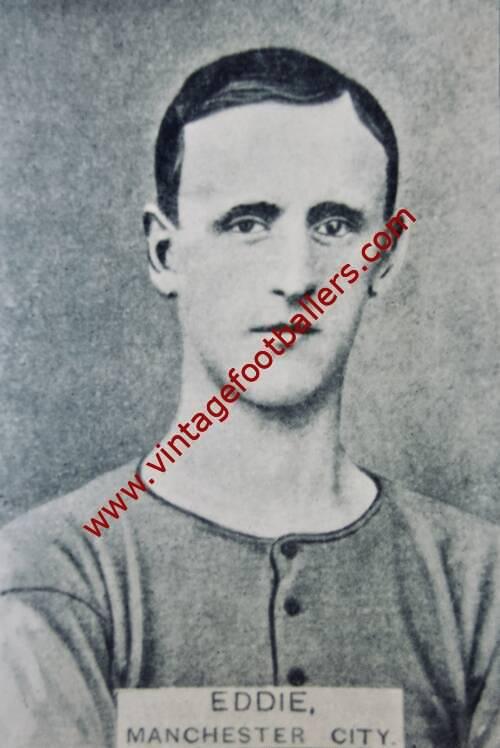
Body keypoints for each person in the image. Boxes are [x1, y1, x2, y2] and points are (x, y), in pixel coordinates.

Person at [0, 48, 498, 748]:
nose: (297, 276)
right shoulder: (51, 573)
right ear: (165, 254)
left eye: (334, 225)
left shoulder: (480, 586)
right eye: (247, 223)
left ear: (383, 258)